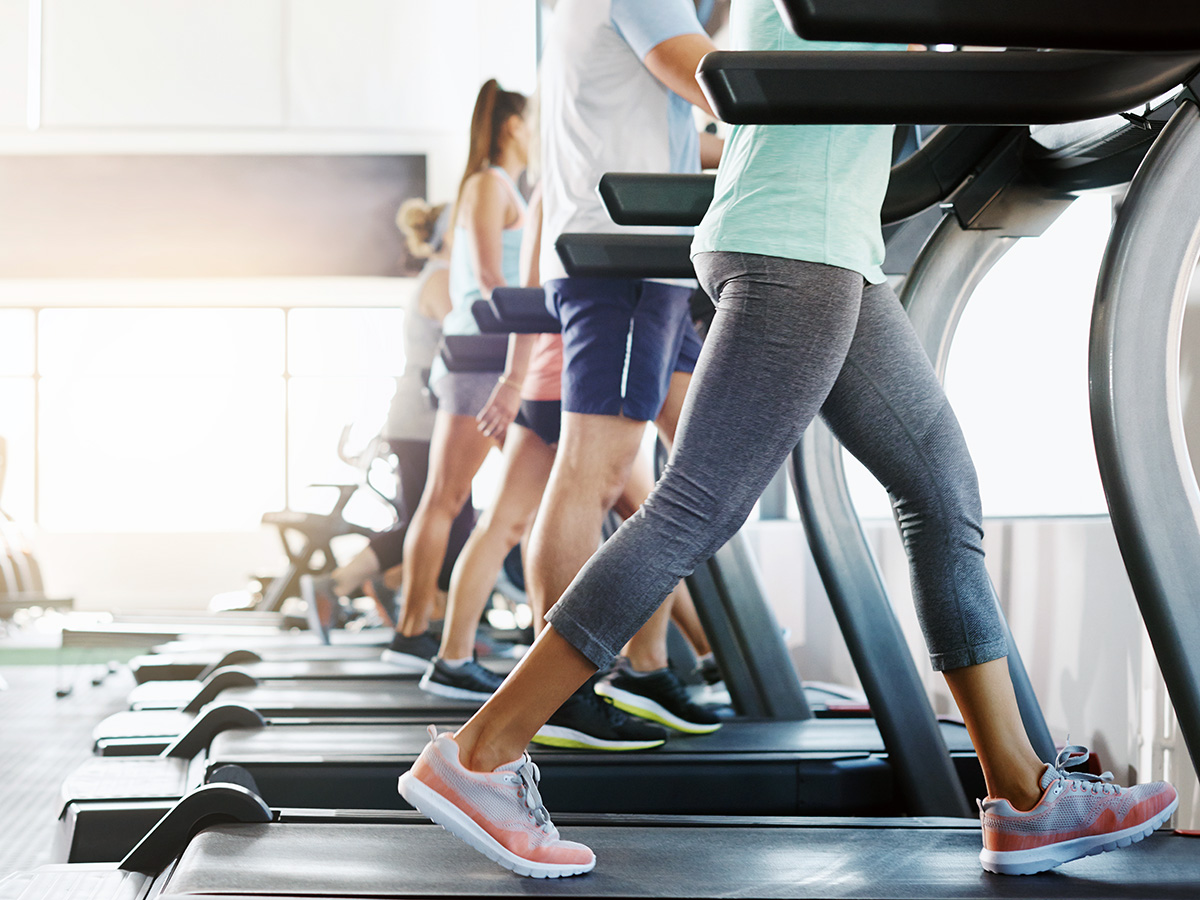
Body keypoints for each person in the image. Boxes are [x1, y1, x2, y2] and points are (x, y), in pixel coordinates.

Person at [397, 0, 1179, 880]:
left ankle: (1024, 795)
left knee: (940, 492)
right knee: (696, 508)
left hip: (831, 243)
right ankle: (482, 752)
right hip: (795, 243)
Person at [420, 193, 719, 744]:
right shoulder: (558, 188)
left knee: (503, 524)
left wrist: (514, 379)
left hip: (542, 379)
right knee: (659, 517)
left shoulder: (546, 191)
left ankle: (455, 657)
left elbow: (529, 283)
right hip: (574, 379)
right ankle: (648, 667)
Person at [381, 79, 531, 669]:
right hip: (487, 354)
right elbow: (492, 278)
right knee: (450, 499)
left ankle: (420, 629)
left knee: (471, 501)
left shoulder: (492, 186)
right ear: (514, 126)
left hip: (486, 352)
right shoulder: (490, 184)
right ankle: (416, 630)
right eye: (534, 122)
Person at [299, 199, 476, 632]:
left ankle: (396, 592)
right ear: (449, 236)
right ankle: (346, 585)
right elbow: (469, 335)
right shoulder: (441, 279)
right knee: (440, 523)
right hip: (424, 422)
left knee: (439, 522)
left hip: (425, 420)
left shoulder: (438, 276)